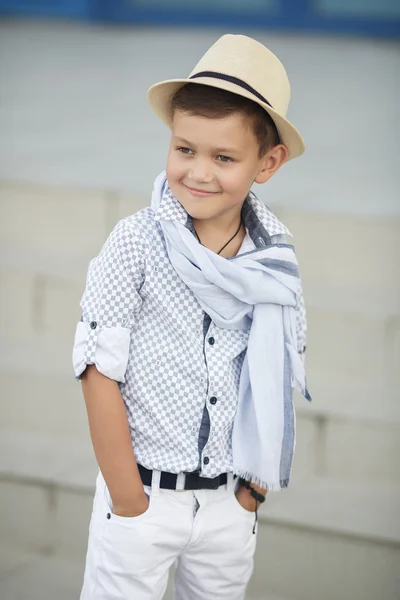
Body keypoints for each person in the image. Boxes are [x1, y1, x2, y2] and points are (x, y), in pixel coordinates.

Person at [72, 33, 311, 600]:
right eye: (185, 149)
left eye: (223, 158)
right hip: (144, 501)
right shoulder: (135, 243)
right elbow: (97, 369)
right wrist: (129, 498)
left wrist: (251, 493)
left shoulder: (273, 259)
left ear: (267, 163)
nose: (198, 172)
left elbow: (281, 367)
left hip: (229, 505)